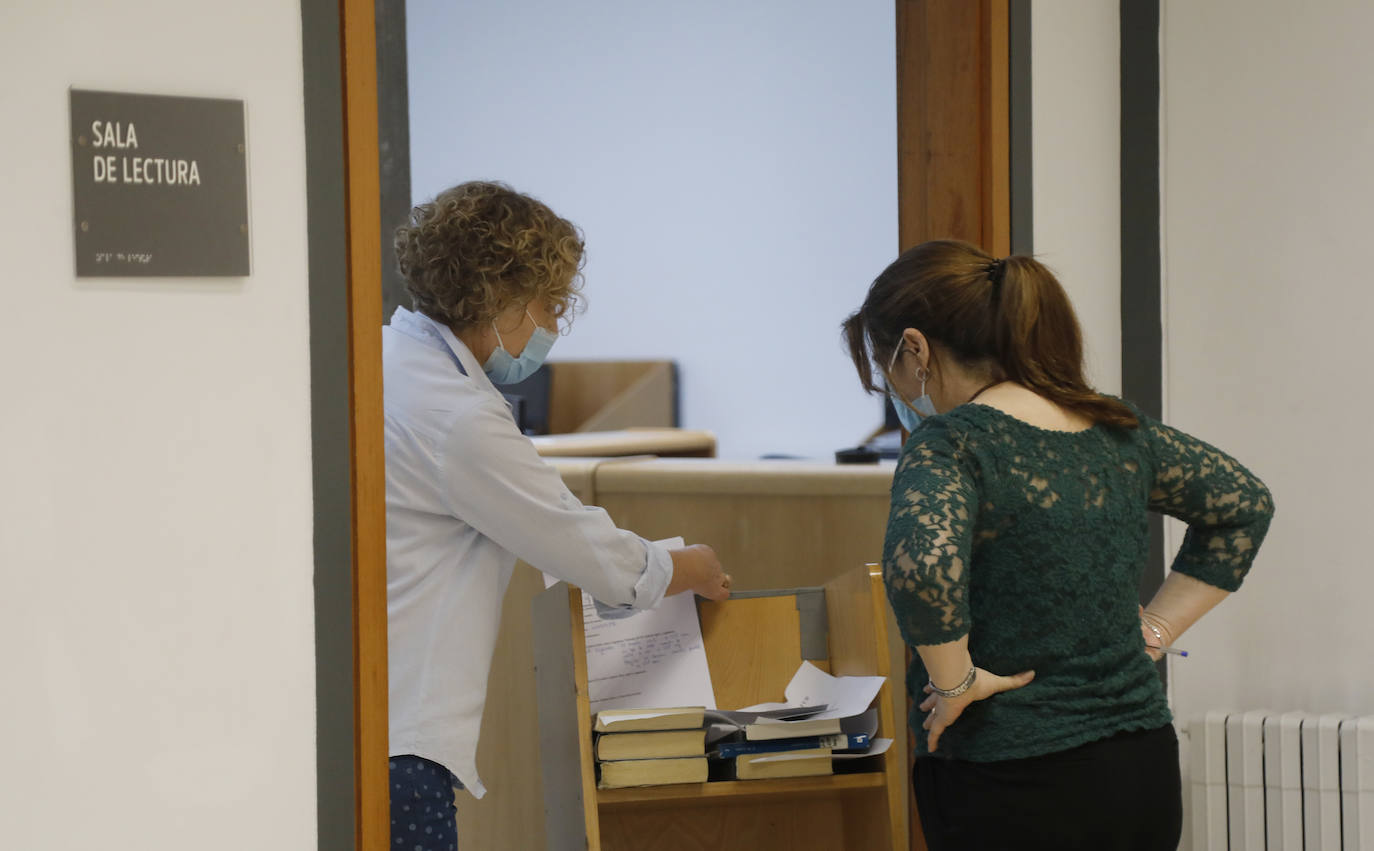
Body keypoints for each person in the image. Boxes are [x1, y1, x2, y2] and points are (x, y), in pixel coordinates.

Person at [841, 239, 1274, 851]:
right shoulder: (1117, 428)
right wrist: (1156, 631)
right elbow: (1244, 505)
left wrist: (957, 683)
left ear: (915, 349)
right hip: (1139, 766)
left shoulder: (951, 442)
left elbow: (925, 570)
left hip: (1010, 775)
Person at [383, 181, 731, 850]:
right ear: (496, 295)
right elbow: (578, 544)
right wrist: (687, 567)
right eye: (549, 304)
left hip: (369, 724)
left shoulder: (385, 360)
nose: (553, 326)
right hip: (406, 743)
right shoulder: (456, 416)